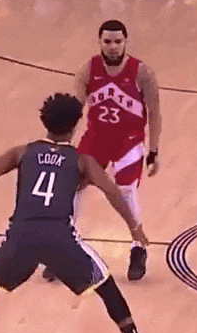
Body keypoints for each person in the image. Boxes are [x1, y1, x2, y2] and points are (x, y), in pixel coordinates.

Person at [0, 93, 165, 333]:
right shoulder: (81, 160)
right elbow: (112, 191)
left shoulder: (22, 152)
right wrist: (134, 228)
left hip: (21, 236)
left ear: (44, 121)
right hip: (61, 238)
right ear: (76, 125)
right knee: (106, 287)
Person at [55, 20, 161, 282]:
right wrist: (63, 140)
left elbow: (155, 114)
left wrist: (154, 151)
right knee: (72, 186)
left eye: (118, 41)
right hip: (96, 138)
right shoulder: (88, 70)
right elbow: (75, 109)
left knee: (126, 191)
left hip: (129, 141)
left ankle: (138, 248)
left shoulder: (142, 73)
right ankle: (65, 246)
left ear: (126, 42)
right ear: (100, 42)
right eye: (107, 42)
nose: (113, 47)